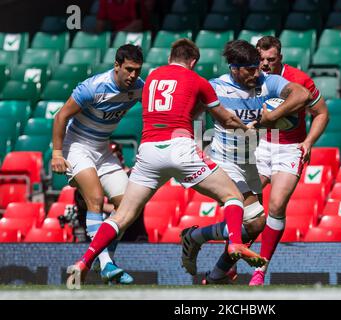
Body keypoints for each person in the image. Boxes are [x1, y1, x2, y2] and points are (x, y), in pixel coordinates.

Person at [66, 39, 267, 287]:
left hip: (149, 151)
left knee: (122, 217)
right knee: (233, 196)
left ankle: (84, 261)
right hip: (179, 148)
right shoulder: (197, 81)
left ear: (171, 57)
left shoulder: (149, 79)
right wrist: (246, 127)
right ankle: (235, 241)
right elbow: (224, 118)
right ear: (193, 62)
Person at [180, 39, 313, 285]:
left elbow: (302, 94)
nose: (257, 72)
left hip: (250, 162)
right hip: (224, 162)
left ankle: (201, 245)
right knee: (255, 219)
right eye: (250, 68)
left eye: (257, 66)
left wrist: (274, 114)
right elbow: (188, 116)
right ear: (234, 68)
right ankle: (203, 248)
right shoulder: (216, 88)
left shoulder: (266, 81)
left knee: (253, 227)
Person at [52, 44, 145, 285]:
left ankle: (106, 264)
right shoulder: (93, 87)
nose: (133, 75)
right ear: (117, 66)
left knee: (127, 206)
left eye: (137, 70)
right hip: (77, 147)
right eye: (128, 69)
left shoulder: (138, 88)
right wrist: (57, 154)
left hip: (102, 148)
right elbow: (61, 116)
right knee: (94, 199)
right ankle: (105, 263)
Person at [241, 36, 329, 285]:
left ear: (280, 57)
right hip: (261, 146)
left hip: (290, 149)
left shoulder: (299, 80)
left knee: (277, 205)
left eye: (271, 59)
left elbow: (322, 113)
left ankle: (260, 270)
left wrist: (309, 142)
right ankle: (234, 257)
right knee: (248, 204)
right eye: (262, 59)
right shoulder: (252, 79)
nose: (266, 64)